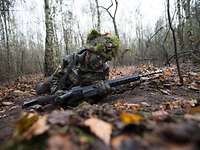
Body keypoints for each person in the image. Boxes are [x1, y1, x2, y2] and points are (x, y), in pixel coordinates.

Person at [36, 29, 120, 96]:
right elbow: (56, 79)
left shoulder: (104, 69)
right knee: (41, 89)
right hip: (63, 84)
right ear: (89, 51)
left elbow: (100, 89)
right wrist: (56, 92)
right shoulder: (70, 60)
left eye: (105, 59)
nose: (101, 62)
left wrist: (103, 92)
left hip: (77, 91)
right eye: (99, 57)